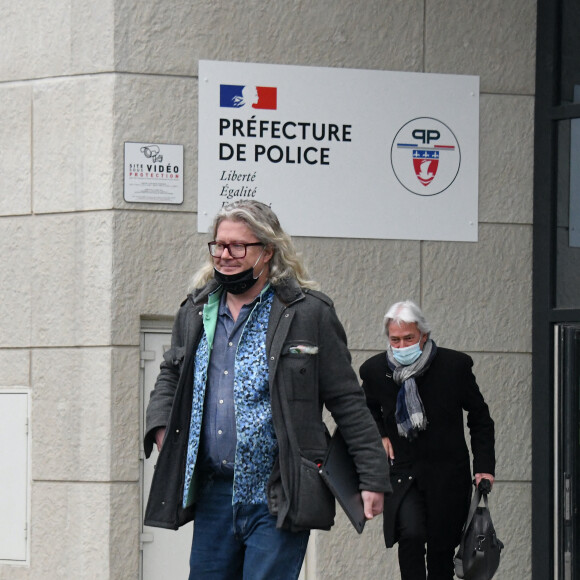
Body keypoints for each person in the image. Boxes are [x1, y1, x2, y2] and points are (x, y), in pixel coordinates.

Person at [143, 200, 390, 580]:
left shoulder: (308, 314)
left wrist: (372, 477)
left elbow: (347, 401)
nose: (225, 256)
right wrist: (162, 429)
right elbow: (171, 375)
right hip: (214, 494)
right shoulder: (196, 310)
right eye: (219, 245)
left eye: (238, 246)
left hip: (279, 492)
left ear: (268, 251)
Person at [360, 300, 495, 580]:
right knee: (410, 535)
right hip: (403, 474)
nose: (402, 345)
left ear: (424, 335)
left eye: (408, 338)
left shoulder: (454, 366)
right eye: (395, 340)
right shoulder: (375, 371)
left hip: (447, 474)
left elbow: (480, 417)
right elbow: (362, 410)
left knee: (439, 550)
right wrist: (380, 434)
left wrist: (484, 466)